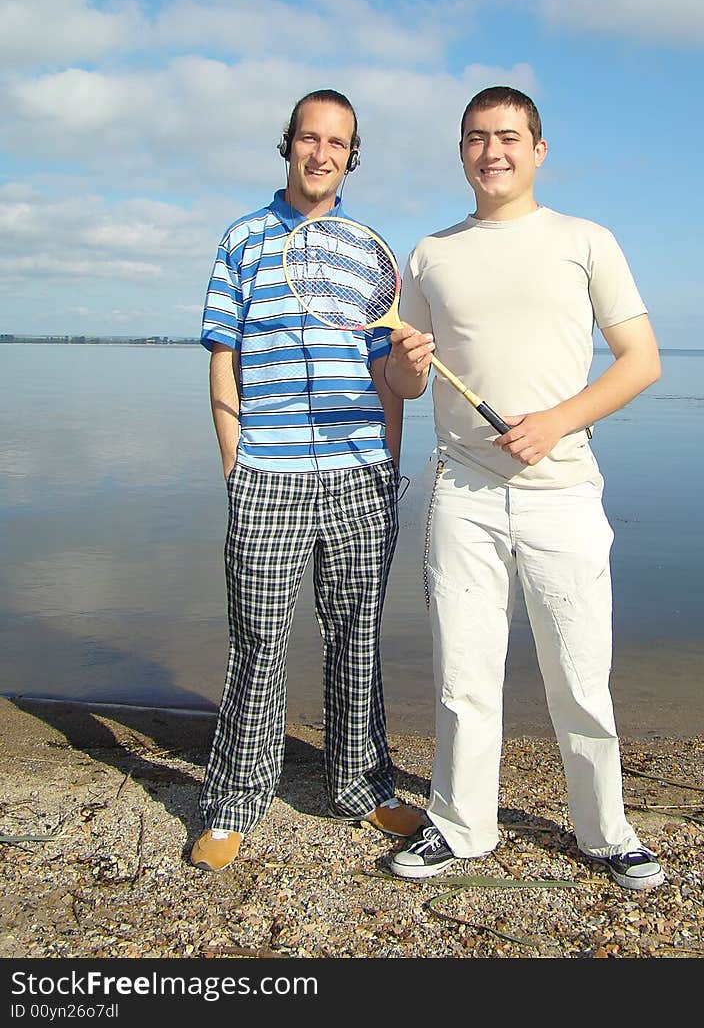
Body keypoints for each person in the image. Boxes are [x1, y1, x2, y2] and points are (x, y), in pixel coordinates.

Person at [384, 86, 665, 891]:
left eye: (509, 136)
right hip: (463, 493)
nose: (492, 151)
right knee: (463, 673)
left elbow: (640, 360)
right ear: (462, 151)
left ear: (539, 149)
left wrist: (556, 421)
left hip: (563, 492)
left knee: (579, 675)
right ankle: (460, 824)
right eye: (477, 137)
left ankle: (606, 831)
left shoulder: (586, 241)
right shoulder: (431, 253)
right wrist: (404, 365)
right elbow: (404, 380)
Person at [190, 89, 423, 871]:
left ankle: (363, 785)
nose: (320, 152)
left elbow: (389, 376)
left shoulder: (369, 251)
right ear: (288, 144)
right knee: (256, 641)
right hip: (268, 474)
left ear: (351, 154)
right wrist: (236, 461)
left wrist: (391, 460)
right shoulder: (244, 240)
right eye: (308, 138)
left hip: (361, 474)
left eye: (337, 142)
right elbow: (223, 353)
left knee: (357, 639)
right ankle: (234, 799)